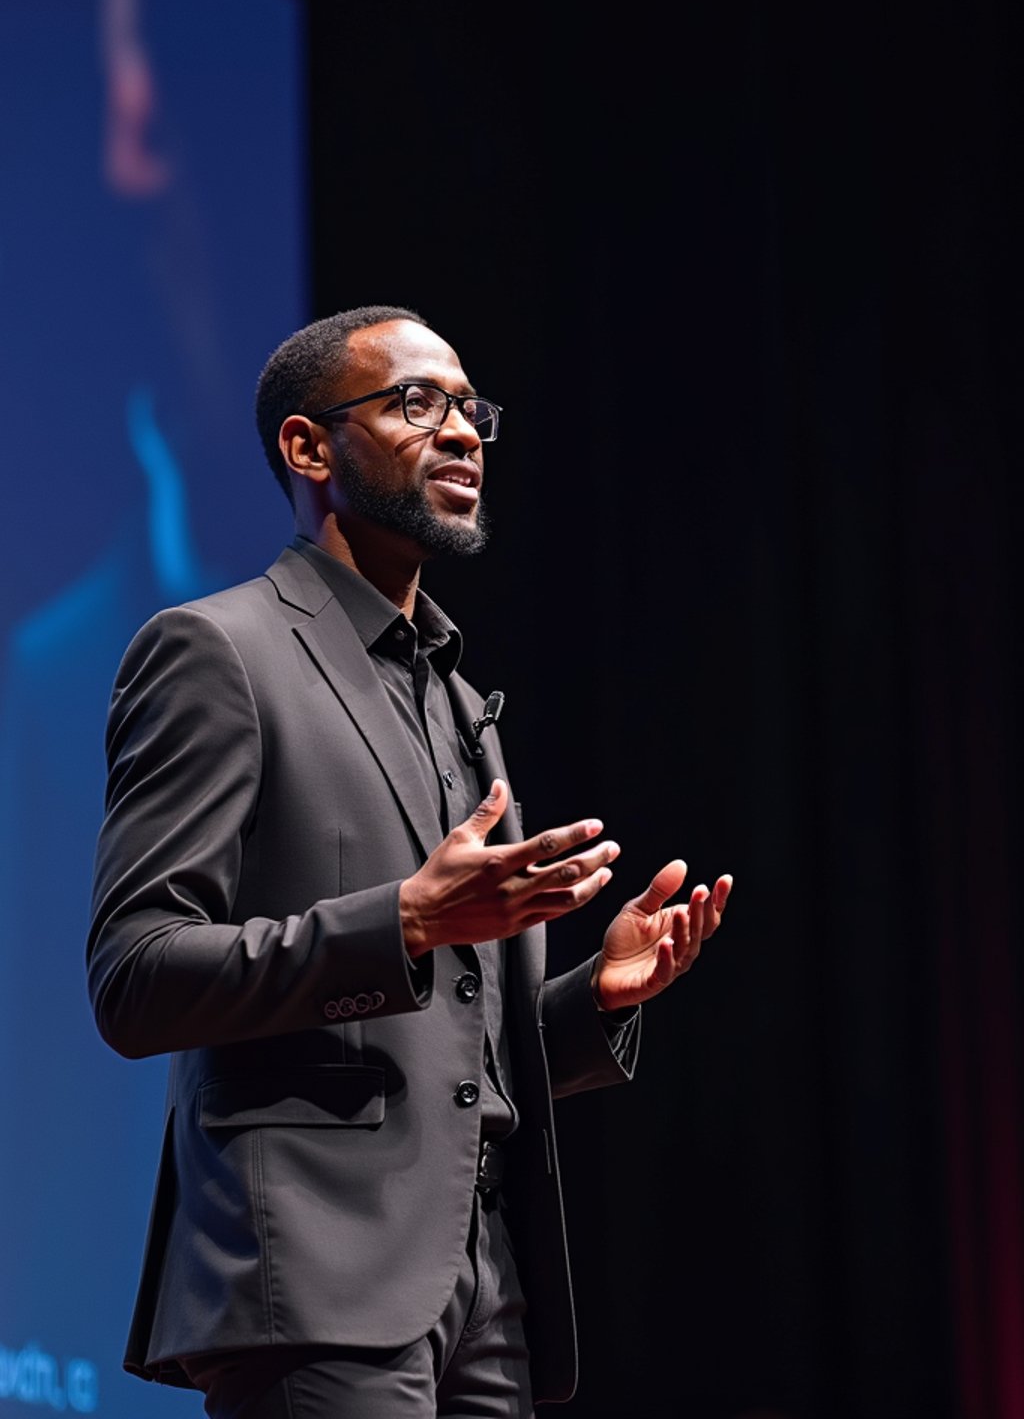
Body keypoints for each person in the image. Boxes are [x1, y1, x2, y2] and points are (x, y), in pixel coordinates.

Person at [87, 305, 732, 1419]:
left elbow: (450, 1044)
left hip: (489, 1292)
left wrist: (591, 1002)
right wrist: (409, 923)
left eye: (472, 410)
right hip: (315, 1280)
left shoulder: (457, 698)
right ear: (308, 448)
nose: (465, 433)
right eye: (417, 403)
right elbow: (135, 978)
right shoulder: (216, 652)